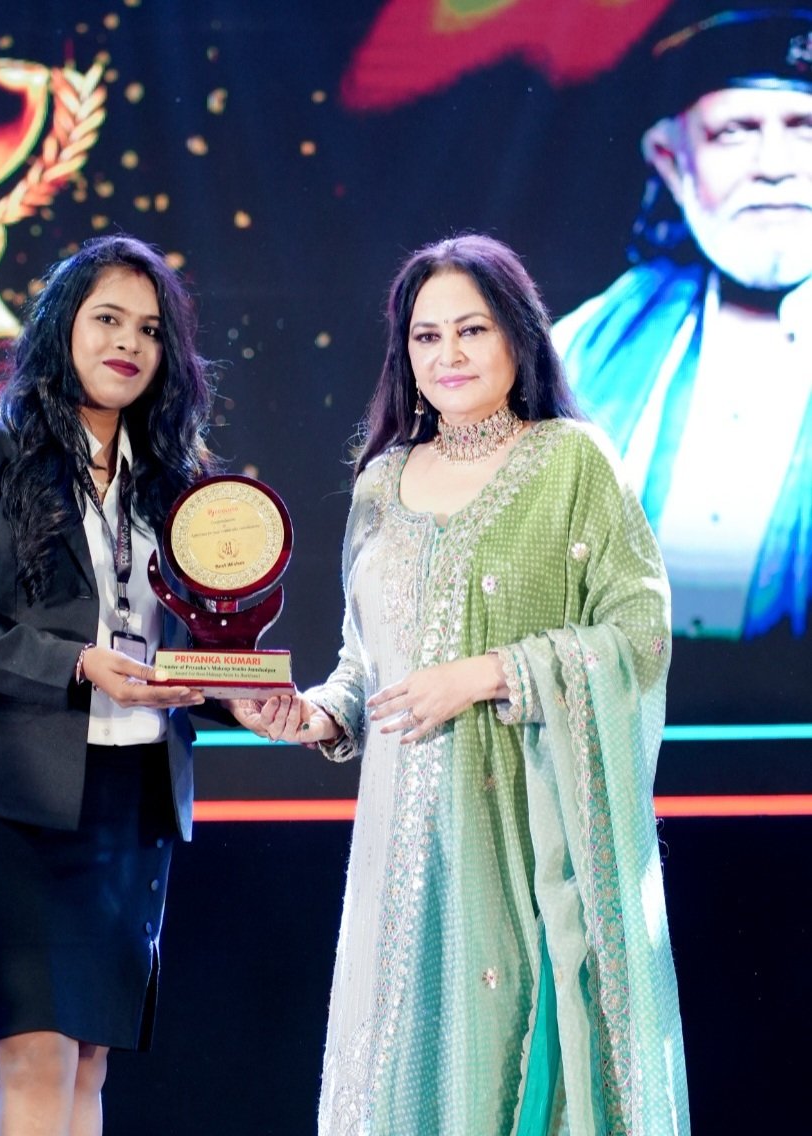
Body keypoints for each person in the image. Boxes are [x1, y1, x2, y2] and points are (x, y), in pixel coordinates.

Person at [233, 234, 690, 1134]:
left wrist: (491, 674)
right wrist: (312, 715)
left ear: (519, 337)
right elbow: (367, 668)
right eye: (426, 335)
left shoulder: (572, 462)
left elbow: (638, 636)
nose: (448, 354)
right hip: (403, 847)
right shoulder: (381, 482)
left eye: (472, 330)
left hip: (526, 833)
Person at [0, 234, 221, 1135]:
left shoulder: (179, 479)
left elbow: (195, 641)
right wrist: (77, 664)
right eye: (107, 319)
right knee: (37, 1054)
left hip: (134, 798)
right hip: (13, 798)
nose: (129, 343)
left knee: (88, 1063)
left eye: (150, 329)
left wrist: (244, 687)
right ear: (62, 328)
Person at [553, 7, 812, 640]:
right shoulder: (584, 348)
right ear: (671, 161)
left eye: (805, 128)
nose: (774, 165)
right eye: (734, 133)